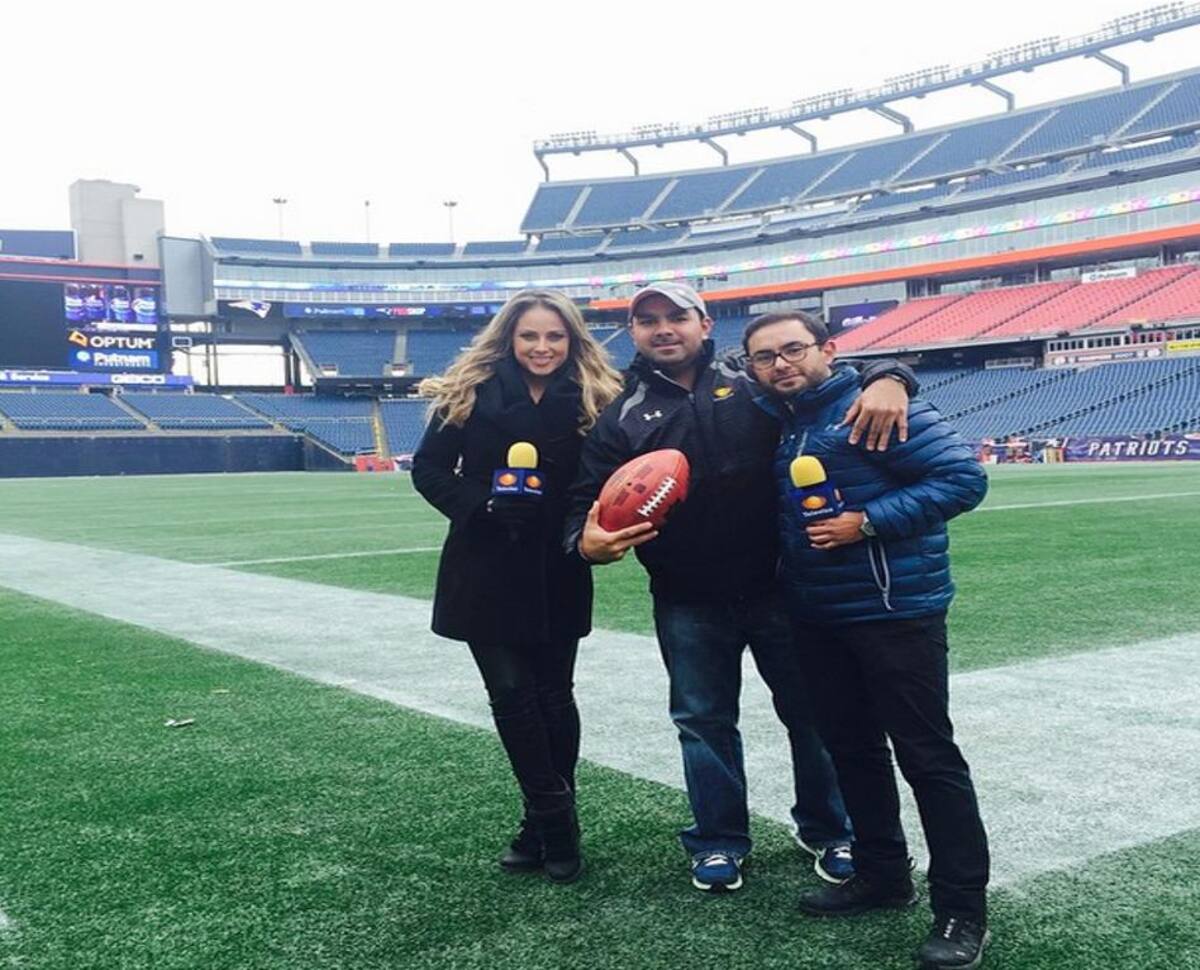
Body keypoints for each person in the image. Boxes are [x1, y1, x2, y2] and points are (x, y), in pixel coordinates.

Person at [564, 281, 918, 893]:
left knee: (812, 715)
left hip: (782, 586)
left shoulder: (757, 379)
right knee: (703, 722)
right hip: (686, 595)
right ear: (636, 334)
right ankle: (719, 840)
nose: (663, 328)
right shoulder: (620, 411)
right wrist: (584, 542)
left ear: (705, 324)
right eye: (648, 320)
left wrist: (892, 375)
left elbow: (831, 376)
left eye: (676, 316)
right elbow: (582, 502)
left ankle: (829, 829)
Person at [745, 310, 991, 970]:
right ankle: (885, 876)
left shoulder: (866, 404)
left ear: (827, 349)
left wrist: (867, 523)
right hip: (818, 614)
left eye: (792, 349)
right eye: (764, 357)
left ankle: (962, 908)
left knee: (927, 757)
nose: (780, 364)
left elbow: (964, 480)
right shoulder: (789, 418)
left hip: (895, 611)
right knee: (851, 750)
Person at [412, 289, 623, 884]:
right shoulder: (467, 391)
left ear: (572, 340)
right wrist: (481, 506)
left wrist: (589, 526)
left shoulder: (596, 395)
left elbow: (612, 475)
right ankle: (558, 823)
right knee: (511, 694)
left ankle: (541, 824)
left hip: (560, 560)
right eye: (530, 335)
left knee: (555, 694)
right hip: (483, 563)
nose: (542, 347)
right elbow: (429, 471)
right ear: (510, 337)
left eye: (555, 336)